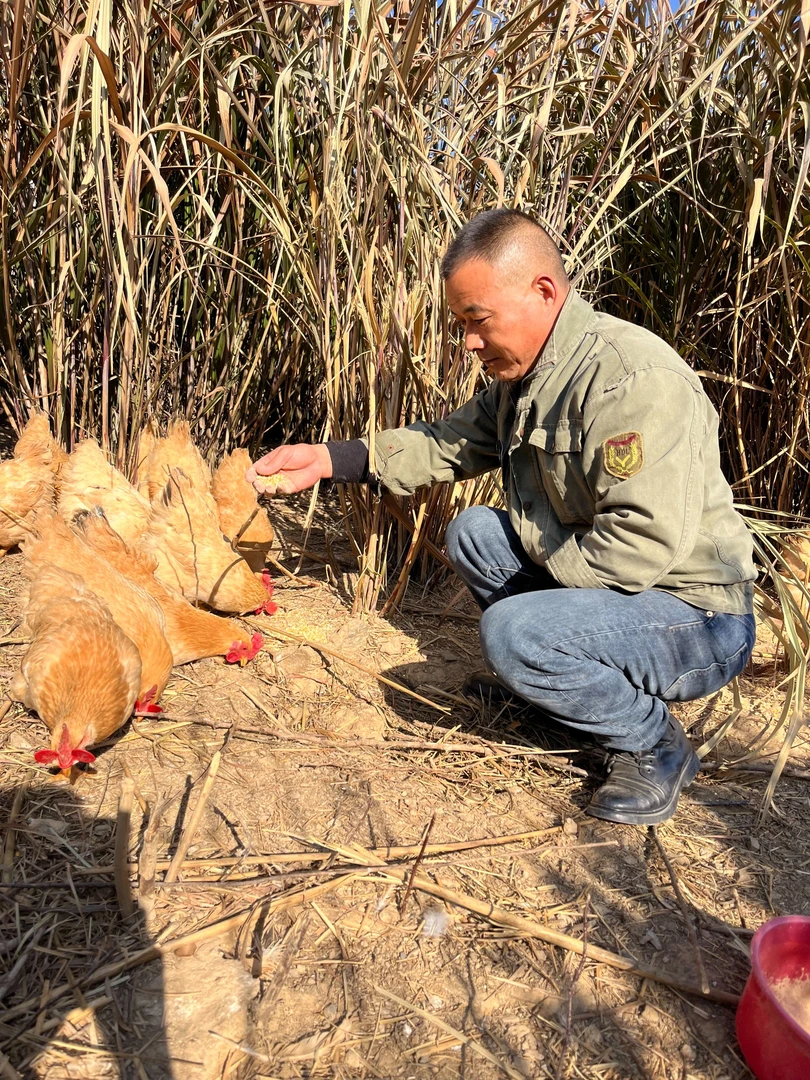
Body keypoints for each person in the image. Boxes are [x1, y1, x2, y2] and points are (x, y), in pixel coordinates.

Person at [246, 209, 756, 826]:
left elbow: (637, 546)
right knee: (476, 535)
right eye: (462, 324)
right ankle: (564, 692)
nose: (468, 343)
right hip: (621, 594)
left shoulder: (630, 378)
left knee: (516, 632)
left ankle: (652, 743)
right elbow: (449, 443)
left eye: (477, 321)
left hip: (695, 620)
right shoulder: (530, 376)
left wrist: (535, 616)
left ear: (543, 291)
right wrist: (329, 460)